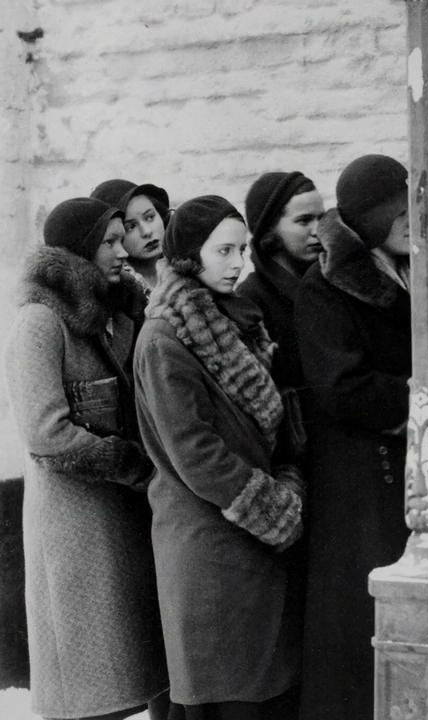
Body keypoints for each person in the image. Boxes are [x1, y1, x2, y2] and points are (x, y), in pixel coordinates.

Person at [134, 195, 304, 718]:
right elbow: (195, 451)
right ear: (190, 257)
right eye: (223, 251)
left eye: (242, 250)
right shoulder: (164, 339)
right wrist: (274, 507)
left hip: (247, 541)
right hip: (207, 546)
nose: (237, 264)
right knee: (227, 696)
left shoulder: (232, 321)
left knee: (261, 692)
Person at [5, 197, 167, 720]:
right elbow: (45, 433)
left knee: (133, 677)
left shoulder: (114, 314)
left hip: (122, 518)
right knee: (88, 690)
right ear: (79, 251)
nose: (123, 251)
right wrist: (134, 465)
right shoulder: (39, 322)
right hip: (75, 530)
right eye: (110, 242)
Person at [294, 154, 412, 720]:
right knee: (362, 623)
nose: (411, 221)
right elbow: (339, 387)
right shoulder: (325, 289)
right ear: (370, 220)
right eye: (398, 213)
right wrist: (423, 393)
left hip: (410, 467)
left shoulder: (416, 272)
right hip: (360, 480)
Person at [239, 171, 324, 398]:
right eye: (304, 220)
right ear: (269, 229)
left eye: (321, 219)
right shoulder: (250, 300)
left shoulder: (330, 288)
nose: (318, 231)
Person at [90, 179, 171, 289]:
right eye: (131, 227)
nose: (147, 232)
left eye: (150, 217)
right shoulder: (119, 292)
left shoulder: (190, 266)